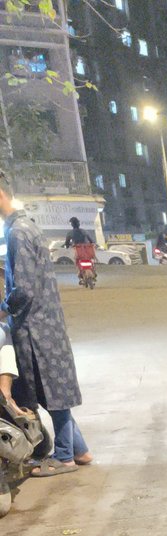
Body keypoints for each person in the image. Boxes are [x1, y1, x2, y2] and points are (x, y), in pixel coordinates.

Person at [0, 170, 91, 476]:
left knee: (50, 392)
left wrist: (3, 310)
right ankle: (79, 450)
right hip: (44, 323)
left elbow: (23, 288)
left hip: (37, 328)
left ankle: (64, 456)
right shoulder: (25, 228)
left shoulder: (18, 233)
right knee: (53, 389)